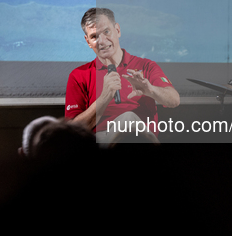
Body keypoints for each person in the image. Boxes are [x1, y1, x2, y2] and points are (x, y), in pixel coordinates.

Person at [65, 7, 180, 144]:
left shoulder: (146, 66)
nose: (102, 41)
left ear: (117, 30)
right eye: (94, 36)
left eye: (106, 32)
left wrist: (150, 90)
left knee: (129, 119)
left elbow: (174, 100)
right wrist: (104, 97)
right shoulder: (79, 75)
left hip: (142, 139)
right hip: (101, 142)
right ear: (88, 42)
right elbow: (71, 132)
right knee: (127, 120)